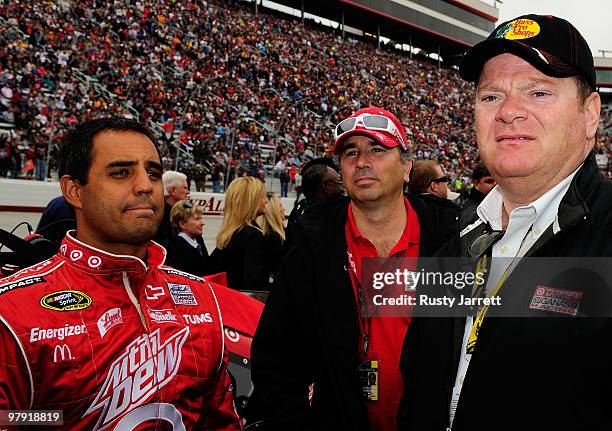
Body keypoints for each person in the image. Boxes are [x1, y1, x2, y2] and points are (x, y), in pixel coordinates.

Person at [398, 15, 609, 431]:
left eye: (538, 92)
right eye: (492, 96)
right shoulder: (457, 242)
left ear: (590, 114)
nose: (510, 111)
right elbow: (420, 383)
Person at [0, 118, 242, 430]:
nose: (145, 186)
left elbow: (220, 422)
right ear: (74, 190)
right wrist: (56, 421)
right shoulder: (12, 311)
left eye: (153, 173)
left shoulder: (201, 297)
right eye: (121, 172)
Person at [246, 107, 442, 431]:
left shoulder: (448, 237)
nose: (362, 161)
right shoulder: (311, 246)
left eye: (377, 149)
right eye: (351, 152)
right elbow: (276, 358)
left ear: (406, 167)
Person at [210, 177, 269, 291]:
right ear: (251, 201)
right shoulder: (253, 236)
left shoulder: (229, 234)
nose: (266, 201)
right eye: (262, 197)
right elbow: (255, 282)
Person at [407, 160, 460, 251]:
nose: (447, 183)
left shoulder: (404, 209)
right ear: (434, 186)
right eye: (445, 179)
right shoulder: (448, 214)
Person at [286, 157, 344, 234]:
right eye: (338, 183)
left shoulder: (301, 210)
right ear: (326, 186)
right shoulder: (339, 213)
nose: (342, 189)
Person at [165, 200, 211, 276]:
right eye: (197, 219)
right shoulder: (177, 249)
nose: (202, 223)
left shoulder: (198, 240)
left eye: (201, 218)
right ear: (182, 224)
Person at [256, 192, 286, 288]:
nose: (284, 209)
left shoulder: (264, 233)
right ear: (274, 211)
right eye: (280, 206)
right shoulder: (274, 237)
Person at [154, 170, 189, 248]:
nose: (188, 192)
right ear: (173, 190)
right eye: (185, 188)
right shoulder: (161, 216)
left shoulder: (162, 211)